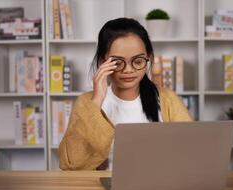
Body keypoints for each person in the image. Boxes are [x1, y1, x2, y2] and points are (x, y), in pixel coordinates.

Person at [58, 18, 193, 170]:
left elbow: (191, 152)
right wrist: (96, 102)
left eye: (138, 61)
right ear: (103, 61)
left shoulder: (167, 99)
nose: (128, 70)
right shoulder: (87, 102)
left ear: (147, 57)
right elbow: (71, 164)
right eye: (117, 62)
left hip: (159, 189)